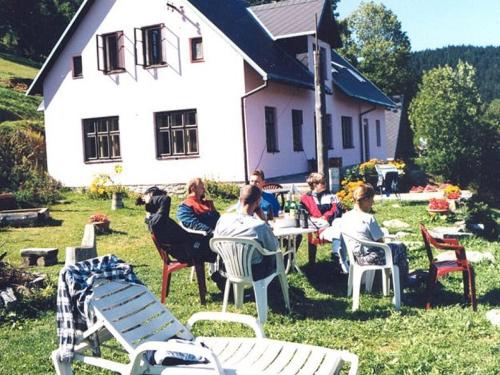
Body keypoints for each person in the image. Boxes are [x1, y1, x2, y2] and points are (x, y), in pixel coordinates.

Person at [340, 183, 409, 289]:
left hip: (356, 256)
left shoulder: (345, 216)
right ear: (365, 200)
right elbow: (381, 242)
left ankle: (394, 281)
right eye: (372, 200)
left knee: (395, 249)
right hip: (370, 258)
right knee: (401, 247)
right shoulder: (368, 218)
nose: (373, 203)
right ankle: (402, 284)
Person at [137, 186, 217, 266]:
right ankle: (221, 274)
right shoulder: (157, 220)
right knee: (222, 244)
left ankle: (219, 273)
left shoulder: (155, 219)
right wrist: (149, 199)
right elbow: (166, 199)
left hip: (190, 247)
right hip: (189, 251)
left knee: (219, 242)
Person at [215, 185, 278, 281]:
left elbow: (216, 244)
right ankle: (274, 285)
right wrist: (264, 220)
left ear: (240, 200)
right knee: (274, 256)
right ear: (258, 202)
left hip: (227, 267)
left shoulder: (223, 219)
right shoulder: (259, 226)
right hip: (254, 272)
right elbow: (274, 247)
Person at [300, 172, 345, 270]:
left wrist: (325, 217)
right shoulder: (305, 198)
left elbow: (337, 210)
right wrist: (316, 219)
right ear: (314, 185)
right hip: (314, 227)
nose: (325, 184)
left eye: (325, 182)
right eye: (323, 182)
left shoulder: (331, 195)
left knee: (340, 227)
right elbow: (303, 214)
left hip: (331, 224)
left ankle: (339, 259)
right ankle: (314, 263)